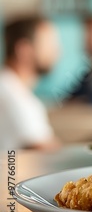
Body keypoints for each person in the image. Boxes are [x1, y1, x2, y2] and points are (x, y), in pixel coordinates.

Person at [0, 16, 60, 152]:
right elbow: (45, 151)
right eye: (49, 45)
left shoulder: (10, 87)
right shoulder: (12, 96)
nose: (57, 52)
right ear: (24, 50)